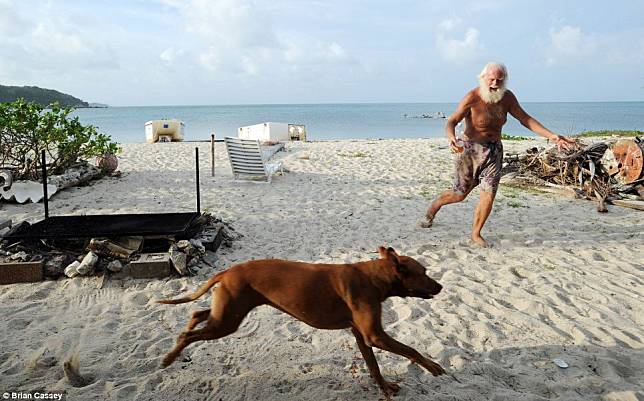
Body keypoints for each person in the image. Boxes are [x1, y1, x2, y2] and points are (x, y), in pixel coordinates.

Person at [419, 62, 575, 247]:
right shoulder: (472, 97)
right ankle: (434, 207)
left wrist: (552, 136)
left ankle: (476, 234)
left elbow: (525, 119)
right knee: (459, 195)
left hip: (494, 152)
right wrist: (451, 137)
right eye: (491, 80)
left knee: (489, 194)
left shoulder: (507, 98)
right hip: (469, 151)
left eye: (499, 81)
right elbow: (452, 120)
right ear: (483, 78)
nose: (495, 84)